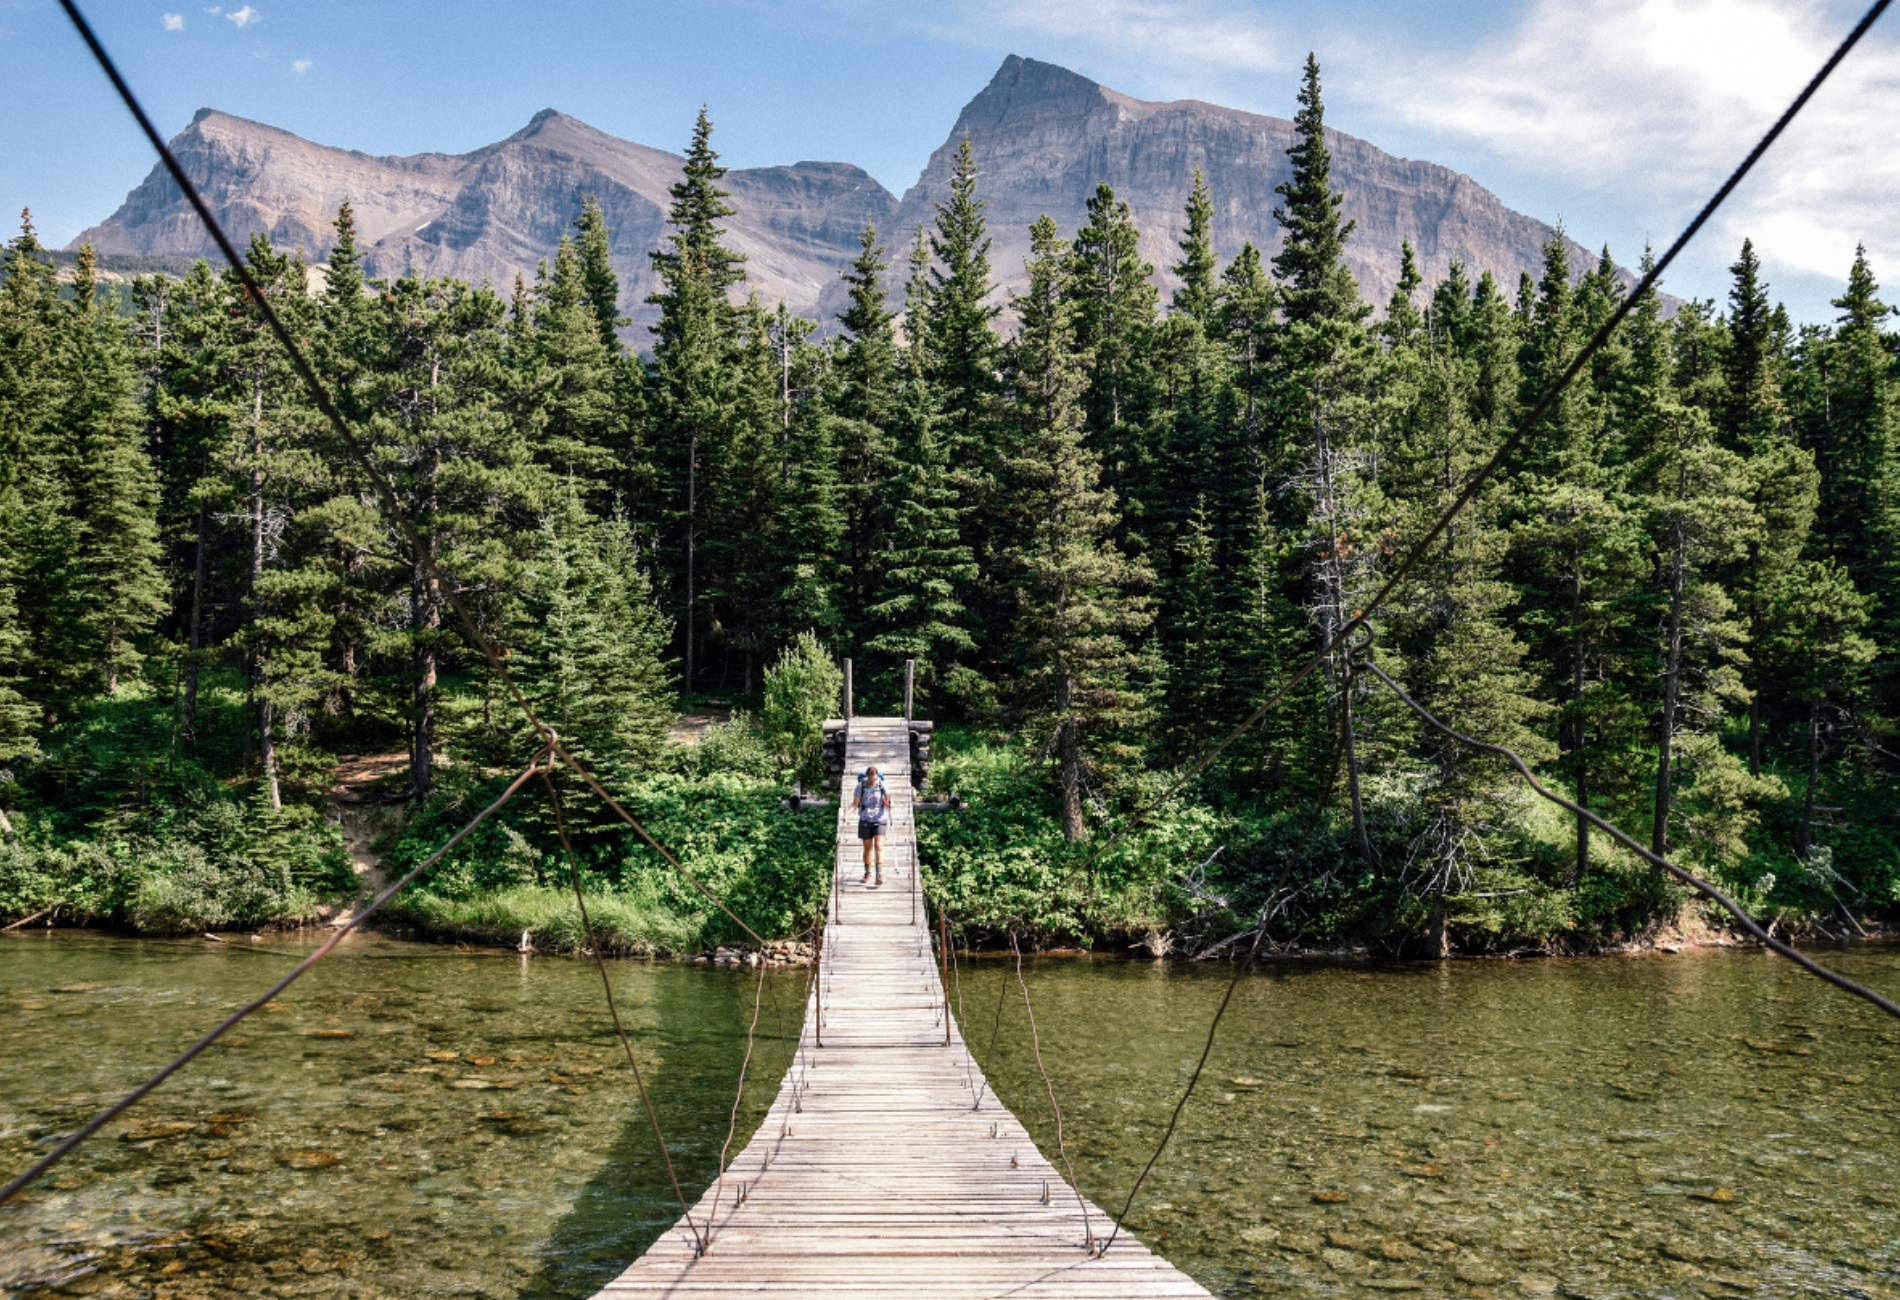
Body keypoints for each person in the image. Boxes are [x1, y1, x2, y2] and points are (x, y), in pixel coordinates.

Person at [852, 765, 888, 887]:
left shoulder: (881, 784)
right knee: (868, 848)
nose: (872, 781)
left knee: (878, 846)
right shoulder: (861, 786)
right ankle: (867, 872)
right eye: (871, 779)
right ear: (867, 777)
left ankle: (879, 875)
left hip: (880, 818)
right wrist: (846, 814)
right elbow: (855, 804)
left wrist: (888, 801)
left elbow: (888, 795)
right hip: (865, 819)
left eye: (874, 779)